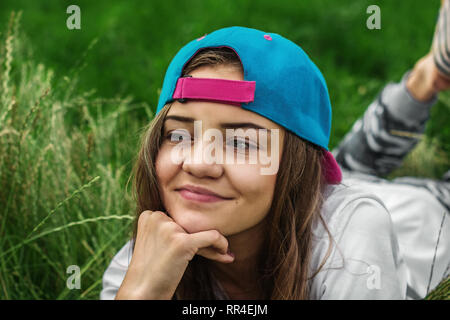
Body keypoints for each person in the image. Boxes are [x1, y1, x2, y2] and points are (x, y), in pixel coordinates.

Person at [100, 4, 449, 299]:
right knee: (354, 163)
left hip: (429, 211)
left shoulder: (353, 237)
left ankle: (430, 75)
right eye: (178, 136)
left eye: (240, 142)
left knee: (358, 164)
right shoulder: (149, 257)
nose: (198, 163)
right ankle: (426, 77)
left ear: (296, 168)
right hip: (304, 195)